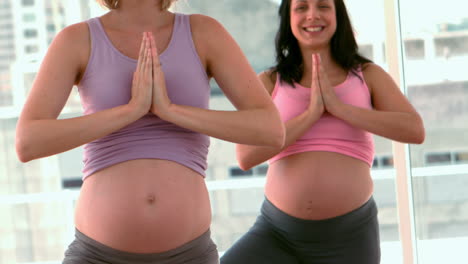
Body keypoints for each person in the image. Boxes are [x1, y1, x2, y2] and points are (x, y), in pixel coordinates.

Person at [15, 0, 285, 263]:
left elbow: (269, 131)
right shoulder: (76, 39)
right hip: (98, 255)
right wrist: (130, 110)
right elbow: (28, 142)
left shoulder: (204, 32)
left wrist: (170, 111)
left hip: (188, 255)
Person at [220, 0, 425, 263]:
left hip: (349, 237)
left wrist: (341, 109)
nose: (313, 15)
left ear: (337, 14)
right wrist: (310, 116)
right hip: (277, 234)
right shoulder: (270, 81)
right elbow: (246, 156)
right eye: (301, 7)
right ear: (288, 18)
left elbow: (414, 130)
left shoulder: (367, 75)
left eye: (323, 6)